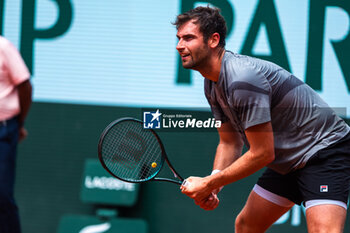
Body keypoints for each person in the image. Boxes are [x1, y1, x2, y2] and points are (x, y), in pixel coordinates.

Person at [174, 6, 350, 233]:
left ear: (213, 40)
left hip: (323, 151)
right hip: (288, 160)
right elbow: (230, 142)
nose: (180, 46)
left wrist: (208, 183)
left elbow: (262, 153)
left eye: (188, 38)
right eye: (178, 38)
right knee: (247, 226)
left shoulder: (241, 79)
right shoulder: (211, 82)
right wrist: (215, 183)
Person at [0, 36, 32, 233]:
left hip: (4, 128)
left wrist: (19, 123)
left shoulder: (3, 47)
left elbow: (25, 86)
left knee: (1, 195)